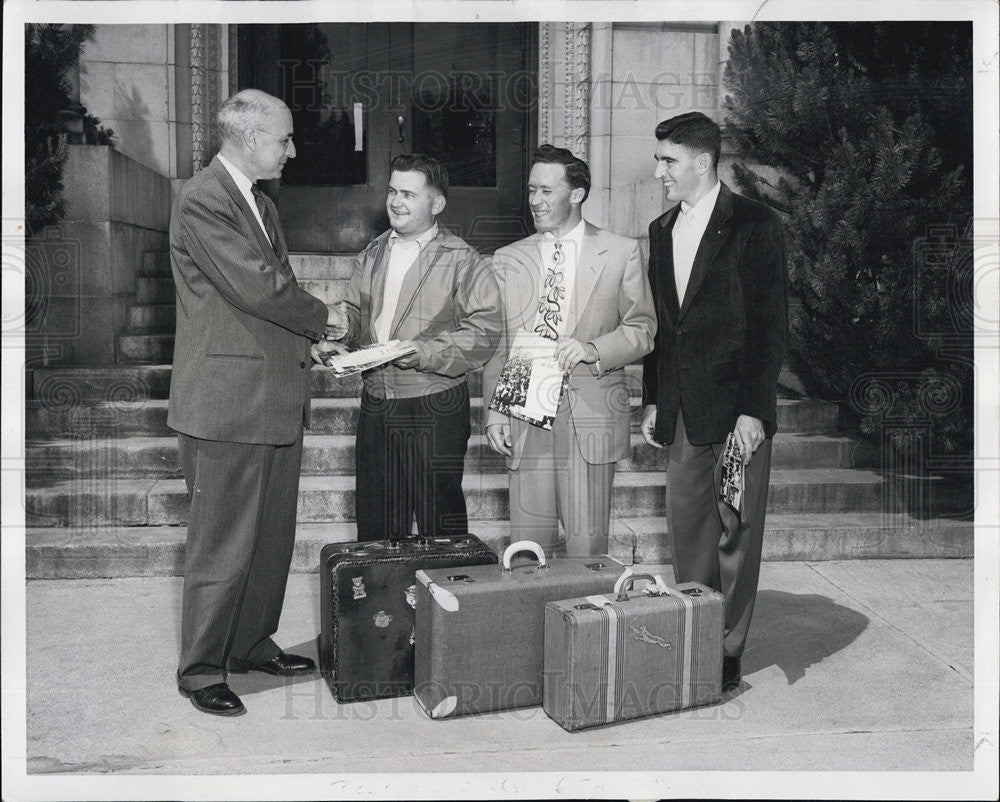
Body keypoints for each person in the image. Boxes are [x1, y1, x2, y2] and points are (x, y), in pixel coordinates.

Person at [168, 89, 346, 716]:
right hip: (226, 405)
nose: (292, 150)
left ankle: (247, 643)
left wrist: (309, 350)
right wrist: (325, 321)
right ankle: (201, 669)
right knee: (222, 544)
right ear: (247, 138)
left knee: (269, 538)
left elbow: (267, 300)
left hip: (271, 397)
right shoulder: (204, 198)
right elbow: (262, 288)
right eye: (285, 138)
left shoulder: (261, 204)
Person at [640, 112, 788, 692]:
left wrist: (754, 411)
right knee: (688, 530)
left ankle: (727, 648)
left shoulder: (755, 224)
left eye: (668, 161)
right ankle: (694, 630)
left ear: (703, 163)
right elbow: (663, 327)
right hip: (682, 411)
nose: (659, 173)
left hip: (736, 416)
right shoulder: (659, 230)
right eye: (659, 160)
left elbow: (771, 325)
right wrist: (655, 400)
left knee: (736, 532)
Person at [484, 144, 656, 557]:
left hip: (591, 415)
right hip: (525, 412)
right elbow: (497, 343)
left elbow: (643, 328)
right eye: (531, 191)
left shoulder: (621, 252)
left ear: (576, 194)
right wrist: (494, 411)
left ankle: (586, 620)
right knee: (527, 549)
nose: (535, 201)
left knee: (587, 552)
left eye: (546, 191)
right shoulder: (508, 259)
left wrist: (594, 348)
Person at [335, 154, 502, 541]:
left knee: (438, 523)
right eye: (392, 191)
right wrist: (342, 327)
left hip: (433, 405)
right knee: (376, 523)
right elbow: (357, 315)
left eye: (408, 194)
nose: (396, 202)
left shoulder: (464, 260)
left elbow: (484, 334)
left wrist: (424, 352)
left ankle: (441, 601)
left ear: (436, 204)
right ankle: (382, 603)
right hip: (376, 402)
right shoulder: (373, 253)